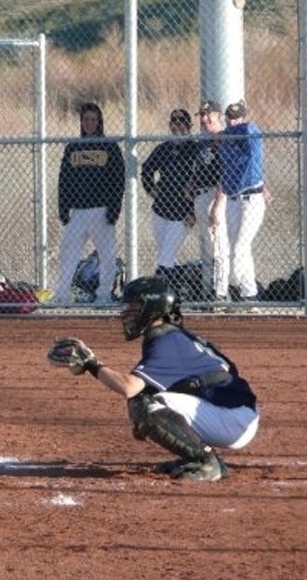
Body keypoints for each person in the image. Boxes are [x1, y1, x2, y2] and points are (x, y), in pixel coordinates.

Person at [49, 275, 259, 481]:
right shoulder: (174, 335)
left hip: (232, 418)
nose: (128, 313)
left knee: (143, 403)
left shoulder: (167, 341)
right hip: (231, 411)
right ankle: (200, 456)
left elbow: (129, 387)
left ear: (152, 309)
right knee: (149, 403)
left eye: (135, 307)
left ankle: (206, 461)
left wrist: (91, 364)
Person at [53, 102, 126, 305]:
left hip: (101, 210)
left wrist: (114, 209)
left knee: (106, 255)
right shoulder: (73, 147)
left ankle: (103, 295)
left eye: (93, 120)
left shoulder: (109, 147)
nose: (89, 123)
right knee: (68, 251)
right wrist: (63, 207)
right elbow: (64, 180)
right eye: (86, 120)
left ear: (99, 121)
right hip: (78, 211)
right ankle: (63, 295)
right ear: (81, 122)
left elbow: (118, 180)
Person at [140, 108, 197, 290]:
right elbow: (147, 169)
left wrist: (193, 211)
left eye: (181, 123)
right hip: (160, 210)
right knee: (167, 255)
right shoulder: (163, 148)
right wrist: (151, 188)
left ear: (189, 126)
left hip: (181, 213)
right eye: (174, 122)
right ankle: (176, 290)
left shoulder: (194, 149)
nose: (177, 126)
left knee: (164, 257)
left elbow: (203, 180)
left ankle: (157, 291)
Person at [218, 99, 267, 304]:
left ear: (244, 118)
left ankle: (239, 286)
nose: (232, 122)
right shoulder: (227, 140)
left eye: (236, 118)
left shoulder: (250, 132)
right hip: (232, 199)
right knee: (236, 248)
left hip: (252, 198)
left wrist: (222, 135)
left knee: (240, 247)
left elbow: (249, 130)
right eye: (229, 118)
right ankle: (248, 295)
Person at [190, 100, 230, 302]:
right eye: (202, 116)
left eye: (208, 115)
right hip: (200, 195)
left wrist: (218, 203)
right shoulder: (203, 140)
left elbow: (226, 174)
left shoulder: (224, 138)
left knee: (219, 246)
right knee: (206, 246)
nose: (205, 119)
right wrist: (191, 184)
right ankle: (207, 291)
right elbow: (198, 169)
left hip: (216, 194)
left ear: (218, 115)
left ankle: (220, 293)